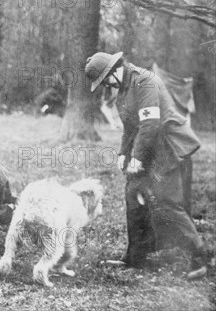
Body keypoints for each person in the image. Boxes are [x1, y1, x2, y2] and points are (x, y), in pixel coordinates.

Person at [85, 51, 209, 280]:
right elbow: (130, 126)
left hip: (168, 149)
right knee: (133, 194)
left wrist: (138, 158)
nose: (105, 85)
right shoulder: (123, 88)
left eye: (104, 80)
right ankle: (136, 257)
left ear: (113, 71)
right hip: (150, 148)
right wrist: (123, 153)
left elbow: (150, 124)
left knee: (167, 203)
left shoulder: (144, 81)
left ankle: (199, 258)